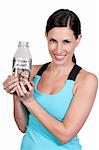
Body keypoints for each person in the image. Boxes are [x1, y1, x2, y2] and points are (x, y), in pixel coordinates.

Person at [3, 9, 98, 150]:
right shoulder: (33, 71)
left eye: (66, 42)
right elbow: (23, 126)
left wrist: (29, 101)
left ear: (78, 39)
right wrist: (18, 95)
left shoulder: (86, 80)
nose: (58, 50)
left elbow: (65, 135)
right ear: (46, 36)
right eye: (53, 41)